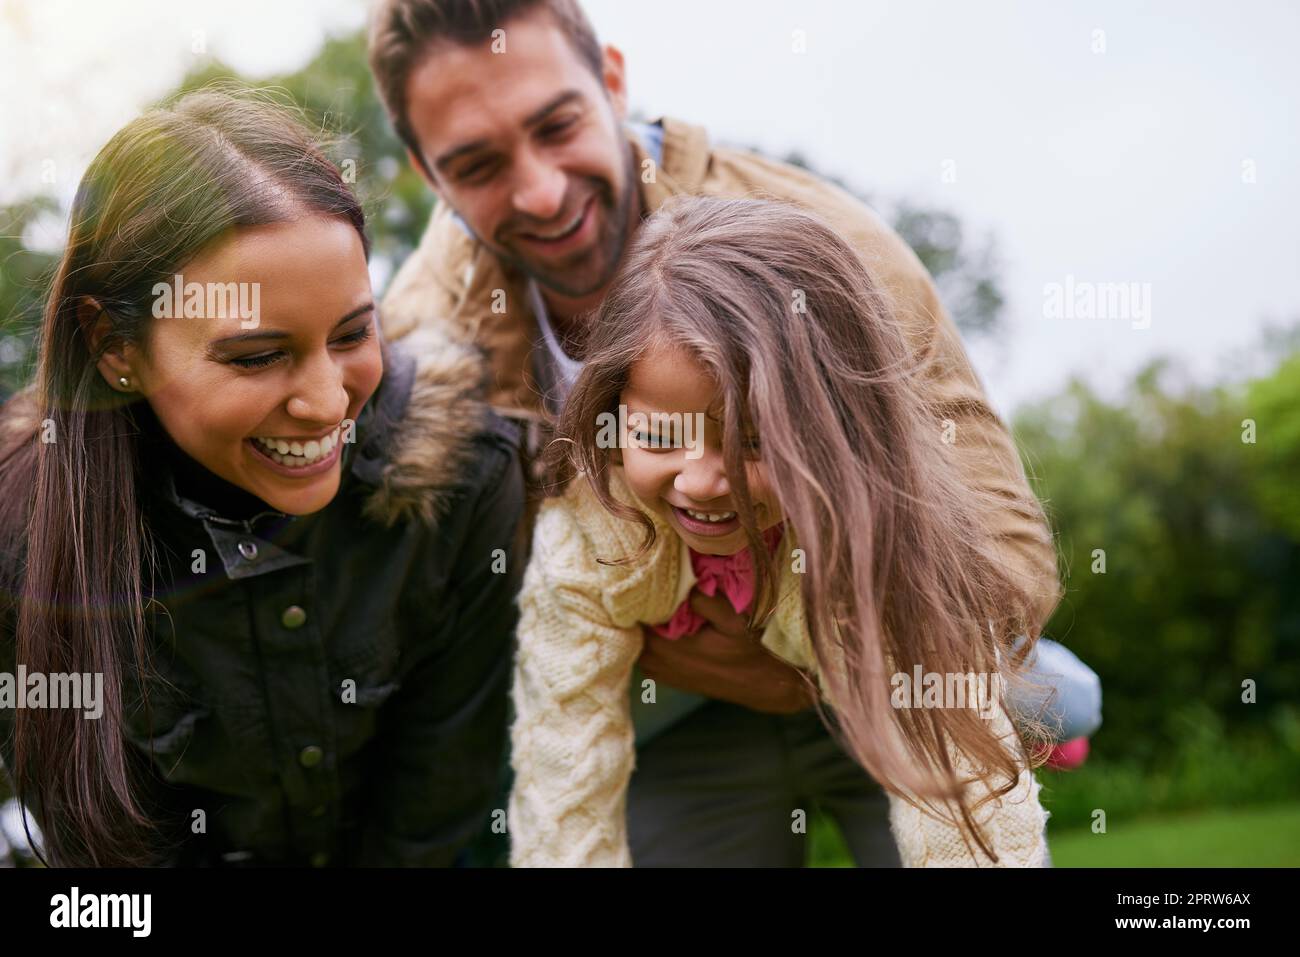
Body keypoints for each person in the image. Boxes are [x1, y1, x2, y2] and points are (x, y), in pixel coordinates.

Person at [367, 0, 1092, 865]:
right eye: (477, 164)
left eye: (557, 126)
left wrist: (817, 666)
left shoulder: (819, 246)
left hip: (881, 652)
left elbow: (1003, 536)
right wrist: (685, 665)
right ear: (423, 168)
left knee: (1047, 706)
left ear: (612, 81)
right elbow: (478, 620)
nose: (541, 191)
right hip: (664, 700)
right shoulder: (417, 344)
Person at [0, 88, 524, 867]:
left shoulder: (465, 483)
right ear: (113, 346)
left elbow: (433, 824)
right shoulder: (22, 540)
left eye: (353, 333)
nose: (326, 403)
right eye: (256, 356)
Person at [511, 196, 1052, 866]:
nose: (705, 479)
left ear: (838, 428)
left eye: (756, 440)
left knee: (1046, 691)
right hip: (690, 705)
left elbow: (965, 794)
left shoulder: (882, 533)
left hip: (865, 667)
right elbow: (562, 764)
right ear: (611, 409)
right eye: (658, 435)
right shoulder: (590, 537)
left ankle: (1057, 695)